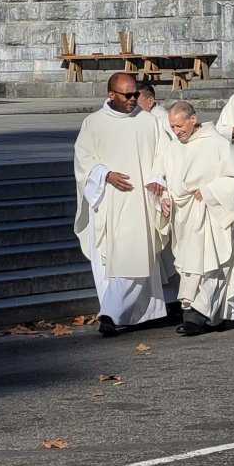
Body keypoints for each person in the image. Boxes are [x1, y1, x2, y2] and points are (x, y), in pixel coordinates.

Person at [147, 102, 234, 336]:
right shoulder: (172, 148)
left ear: (193, 119)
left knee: (213, 265)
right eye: (172, 126)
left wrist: (210, 191)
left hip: (212, 215)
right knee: (190, 268)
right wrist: (164, 197)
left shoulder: (217, 144)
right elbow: (162, 179)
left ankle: (196, 315)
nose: (177, 131)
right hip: (184, 218)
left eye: (179, 125)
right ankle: (210, 315)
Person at [73, 72, 172, 336]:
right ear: (111, 94)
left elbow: (164, 153)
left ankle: (113, 313)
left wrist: (156, 178)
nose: (133, 99)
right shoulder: (93, 123)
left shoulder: (148, 121)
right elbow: (83, 160)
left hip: (141, 203)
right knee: (114, 260)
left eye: (135, 94)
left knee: (135, 257)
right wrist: (105, 175)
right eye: (127, 95)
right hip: (108, 203)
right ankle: (124, 313)